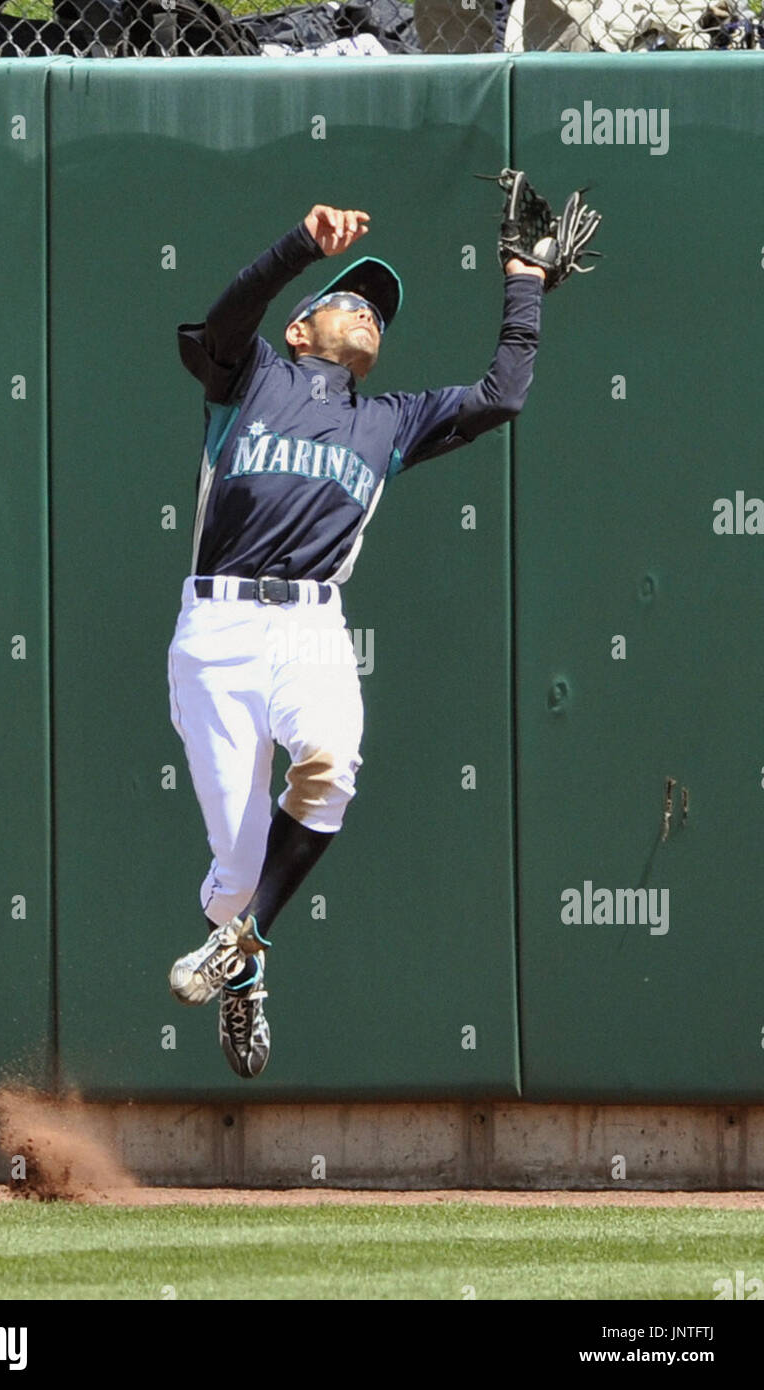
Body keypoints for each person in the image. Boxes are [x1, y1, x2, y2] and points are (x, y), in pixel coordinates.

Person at [167, 203, 545, 1078]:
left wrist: (524, 287)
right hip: (217, 629)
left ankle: (246, 941)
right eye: (352, 300)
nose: (370, 311)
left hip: (311, 625)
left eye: (381, 311)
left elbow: (503, 396)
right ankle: (243, 959)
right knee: (235, 864)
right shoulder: (250, 375)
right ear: (301, 326)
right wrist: (301, 244)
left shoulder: (391, 421)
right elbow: (226, 317)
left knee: (331, 766)